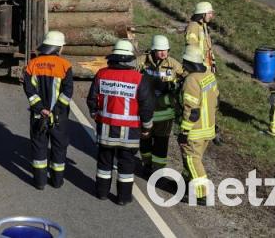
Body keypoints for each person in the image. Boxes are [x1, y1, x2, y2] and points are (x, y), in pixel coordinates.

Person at [87, 39, 154, 205]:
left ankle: (102, 193)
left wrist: (95, 114)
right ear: (130, 59)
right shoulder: (139, 78)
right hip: (130, 132)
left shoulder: (101, 74)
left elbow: (92, 99)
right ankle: (123, 198)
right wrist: (147, 127)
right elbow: (146, 106)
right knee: (127, 165)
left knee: (104, 162)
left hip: (106, 128)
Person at [22, 31, 73, 190]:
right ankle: (57, 182)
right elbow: (67, 92)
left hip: (38, 116)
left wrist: (40, 109)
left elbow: (29, 90)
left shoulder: (32, 64)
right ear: (59, 48)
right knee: (59, 148)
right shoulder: (65, 65)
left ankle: (40, 182)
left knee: (39, 148)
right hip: (59, 118)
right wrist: (55, 111)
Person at [138, 35, 184, 176]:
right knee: (145, 139)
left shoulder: (173, 64)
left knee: (161, 142)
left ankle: (157, 171)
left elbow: (186, 78)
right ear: (153, 50)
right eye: (160, 50)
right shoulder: (142, 61)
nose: (164, 53)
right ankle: (146, 164)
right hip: (146, 110)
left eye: (166, 50)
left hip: (165, 113)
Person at [179, 46, 219, 202]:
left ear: (188, 62)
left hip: (195, 131)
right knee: (193, 160)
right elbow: (216, 100)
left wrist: (184, 131)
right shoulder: (209, 75)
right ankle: (186, 186)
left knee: (192, 159)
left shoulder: (191, 80)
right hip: (208, 128)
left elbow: (192, 110)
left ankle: (202, 194)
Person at [185, 1, 216, 73]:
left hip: (206, 65)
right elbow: (191, 48)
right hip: (198, 66)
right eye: (209, 13)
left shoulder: (203, 26)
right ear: (203, 14)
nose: (211, 16)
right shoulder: (193, 27)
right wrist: (199, 66)